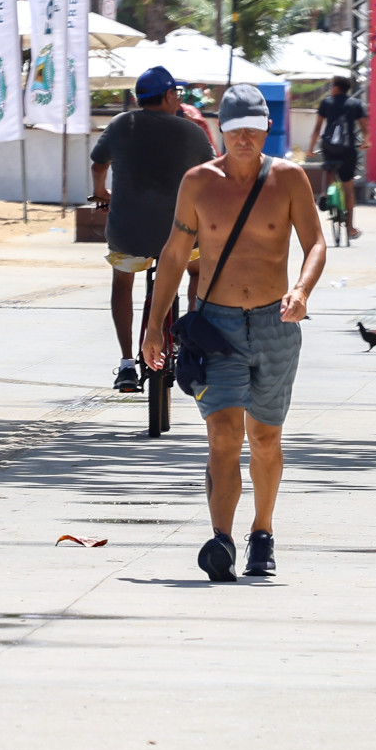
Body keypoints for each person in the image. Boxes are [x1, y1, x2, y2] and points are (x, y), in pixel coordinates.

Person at [140, 85, 325, 584]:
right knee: (223, 435)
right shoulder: (199, 182)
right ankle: (220, 539)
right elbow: (176, 255)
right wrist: (154, 325)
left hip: (275, 323)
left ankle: (261, 531)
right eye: (235, 128)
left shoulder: (288, 178)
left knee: (264, 438)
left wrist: (302, 290)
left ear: (266, 129)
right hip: (217, 325)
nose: (244, 137)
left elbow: (315, 244)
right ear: (222, 130)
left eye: (253, 128)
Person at [90, 66, 215, 392]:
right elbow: (213, 174)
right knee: (198, 272)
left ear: (137, 99)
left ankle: (126, 363)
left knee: (123, 281)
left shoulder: (120, 125)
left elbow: (98, 164)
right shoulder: (191, 132)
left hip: (129, 233)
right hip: (182, 235)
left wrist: (102, 193)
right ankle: (190, 342)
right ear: (171, 96)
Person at [306, 74, 367, 241]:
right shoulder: (355, 104)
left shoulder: (327, 102)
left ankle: (325, 193)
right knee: (348, 187)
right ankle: (350, 228)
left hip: (329, 147)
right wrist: (366, 141)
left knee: (329, 169)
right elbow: (364, 125)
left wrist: (310, 150)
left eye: (331, 85)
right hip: (348, 149)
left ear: (336, 87)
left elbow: (318, 127)